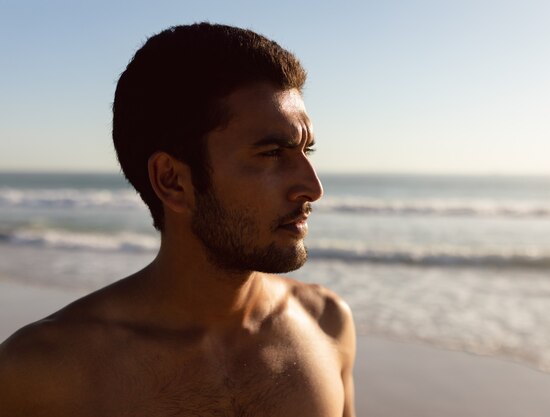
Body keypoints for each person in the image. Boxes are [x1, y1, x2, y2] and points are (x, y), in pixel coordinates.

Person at [0, 23, 356, 416]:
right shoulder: (43, 372)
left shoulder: (327, 323)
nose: (312, 187)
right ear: (172, 181)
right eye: (272, 153)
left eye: (308, 150)